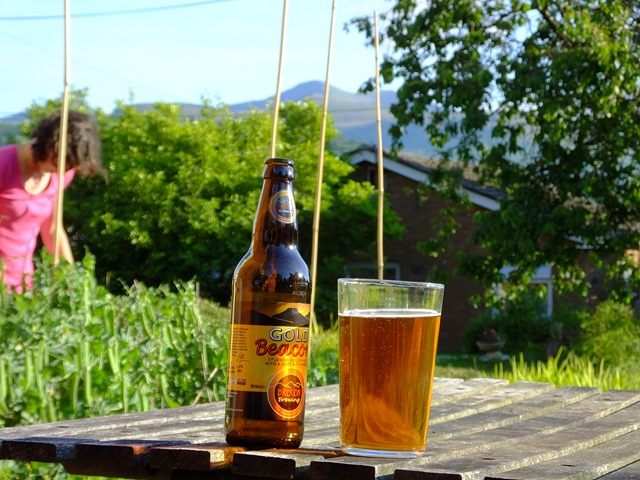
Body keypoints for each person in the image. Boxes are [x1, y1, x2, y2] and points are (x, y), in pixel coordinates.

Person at [0, 110, 103, 292]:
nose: (63, 172)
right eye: (60, 163)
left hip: (22, 286)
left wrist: (71, 279)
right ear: (48, 145)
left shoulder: (59, 175)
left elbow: (52, 229)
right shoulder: (4, 164)